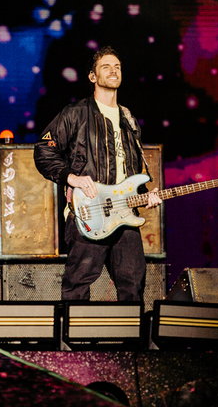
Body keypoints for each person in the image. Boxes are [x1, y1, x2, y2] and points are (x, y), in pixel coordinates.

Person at [34, 46, 162, 302]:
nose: (113, 71)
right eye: (106, 67)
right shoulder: (75, 114)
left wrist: (146, 194)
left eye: (117, 67)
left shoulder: (128, 118)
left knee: (133, 284)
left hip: (125, 214)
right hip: (88, 211)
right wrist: (72, 177)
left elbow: (133, 169)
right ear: (92, 76)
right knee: (79, 283)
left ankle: (130, 341)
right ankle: (75, 340)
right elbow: (43, 150)